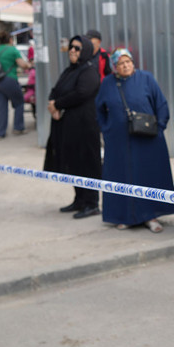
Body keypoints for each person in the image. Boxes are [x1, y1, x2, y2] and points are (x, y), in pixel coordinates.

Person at [96, 49, 174, 232]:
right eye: (120, 63)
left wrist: (159, 128)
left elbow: (161, 104)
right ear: (114, 67)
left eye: (128, 62)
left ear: (133, 63)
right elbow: (99, 109)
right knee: (121, 177)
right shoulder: (108, 83)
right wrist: (107, 130)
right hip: (118, 141)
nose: (125, 66)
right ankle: (124, 216)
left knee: (147, 175)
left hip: (147, 139)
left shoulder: (146, 78)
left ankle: (151, 216)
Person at [44, 35, 102, 219]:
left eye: (77, 48)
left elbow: (81, 93)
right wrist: (52, 103)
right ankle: (79, 199)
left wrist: (58, 104)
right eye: (71, 47)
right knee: (74, 164)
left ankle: (91, 203)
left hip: (84, 127)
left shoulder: (89, 71)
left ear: (84, 50)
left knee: (86, 164)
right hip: (69, 127)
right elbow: (56, 89)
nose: (72, 50)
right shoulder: (70, 71)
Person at [0, 30, 32, 139]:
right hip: (9, 80)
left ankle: (0, 133)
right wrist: (29, 65)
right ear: (10, 40)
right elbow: (22, 64)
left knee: (0, 108)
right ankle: (18, 128)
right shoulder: (12, 50)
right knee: (19, 103)